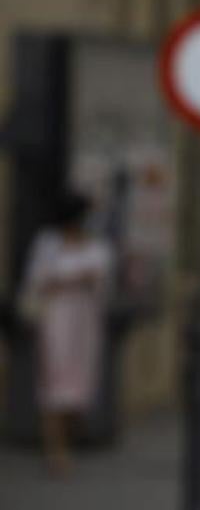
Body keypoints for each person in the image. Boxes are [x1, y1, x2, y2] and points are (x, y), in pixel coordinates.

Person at [19, 192, 113, 474]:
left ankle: (69, 438)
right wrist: (72, 279)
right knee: (54, 385)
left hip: (84, 324)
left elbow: (101, 280)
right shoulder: (48, 244)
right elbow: (38, 280)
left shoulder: (96, 247)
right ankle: (56, 452)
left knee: (78, 388)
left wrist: (67, 279)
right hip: (55, 321)